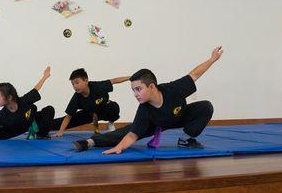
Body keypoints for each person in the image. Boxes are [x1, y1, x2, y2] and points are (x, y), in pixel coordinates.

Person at [73, 46, 223, 154]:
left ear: (152, 87)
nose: (135, 94)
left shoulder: (173, 89)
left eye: (138, 89)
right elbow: (131, 136)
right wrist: (119, 147)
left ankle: (185, 139)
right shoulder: (144, 109)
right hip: (155, 124)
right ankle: (89, 142)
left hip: (179, 116)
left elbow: (194, 75)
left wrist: (212, 59)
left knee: (205, 107)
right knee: (126, 132)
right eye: (133, 90)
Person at [52, 68, 130, 136]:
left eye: (77, 82)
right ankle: (43, 126)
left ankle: (111, 123)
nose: (75, 86)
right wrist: (60, 131)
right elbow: (68, 116)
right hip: (89, 113)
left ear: (86, 81)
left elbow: (114, 80)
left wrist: (130, 77)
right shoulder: (77, 97)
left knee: (114, 106)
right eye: (73, 84)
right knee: (57, 123)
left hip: (104, 110)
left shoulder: (98, 86)